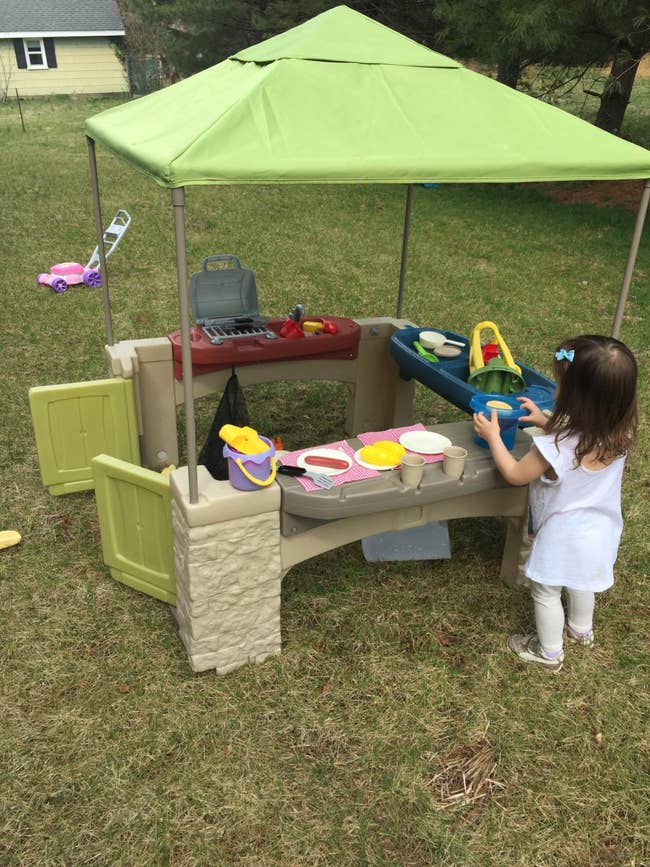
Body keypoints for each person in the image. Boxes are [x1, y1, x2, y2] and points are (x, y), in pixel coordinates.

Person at [473, 335, 638, 672]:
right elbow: (581, 439)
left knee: (545, 591)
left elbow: (516, 474)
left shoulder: (554, 448)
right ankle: (581, 630)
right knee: (581, 582)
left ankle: (549, 653)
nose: (557, 391)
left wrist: (493, 438)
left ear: (577, 400)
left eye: (561, 385)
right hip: (601, 534)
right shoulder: (620, 436)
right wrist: (545, 422)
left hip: (563, 538)